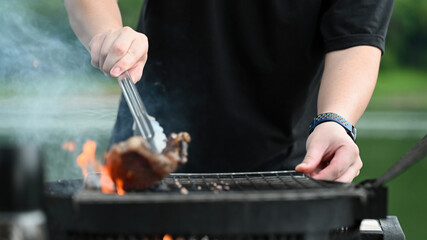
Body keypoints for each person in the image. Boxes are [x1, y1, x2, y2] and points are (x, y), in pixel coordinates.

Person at [64, 0, 394, 182]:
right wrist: (109, 35)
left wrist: (336, 121)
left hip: (286, 171)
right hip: (145, 162)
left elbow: (357, 38)